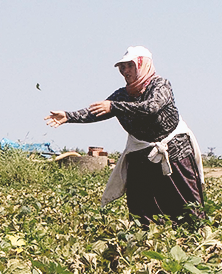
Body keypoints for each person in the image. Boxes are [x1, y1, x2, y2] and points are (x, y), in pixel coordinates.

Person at [45, 46, 204, 226]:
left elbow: (151, 107)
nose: (126, 71)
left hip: (175, 151)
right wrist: (68, 116)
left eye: (130, 66)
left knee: (186, 205)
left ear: (143, 65)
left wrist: (114, 107)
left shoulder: (161, 85)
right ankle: (145, 242)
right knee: (141, 205)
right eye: (123, 67)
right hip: (141, 153)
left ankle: (194, 237)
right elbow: (97, 111)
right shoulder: (122, 94)